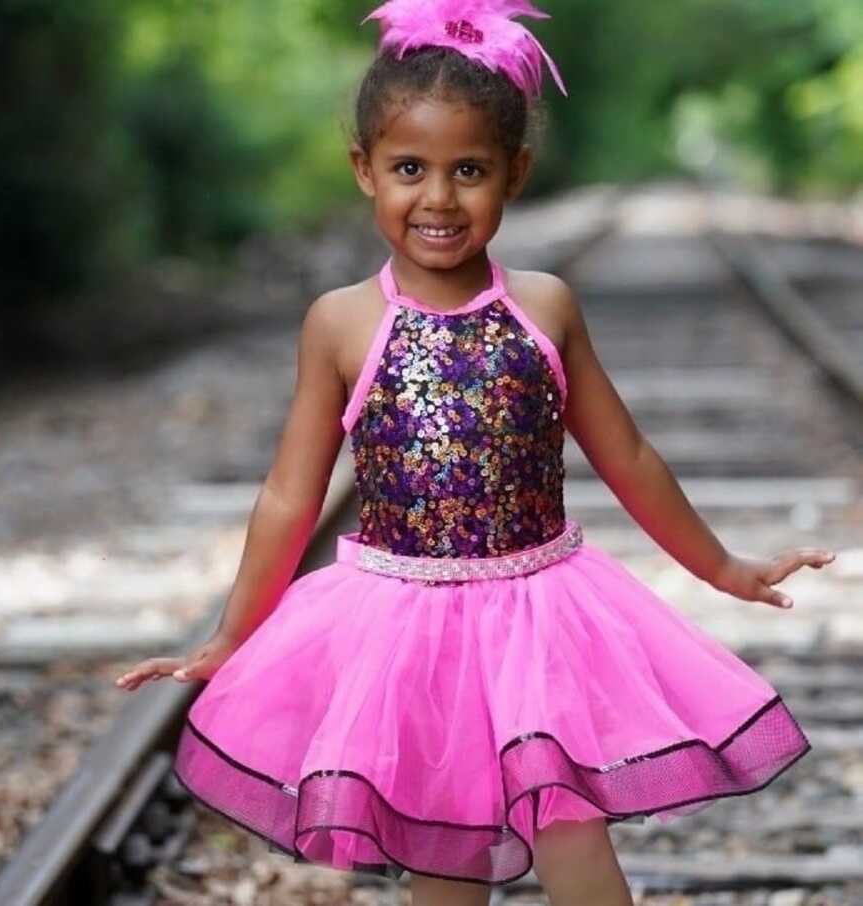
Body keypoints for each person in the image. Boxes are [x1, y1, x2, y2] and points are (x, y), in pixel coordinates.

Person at [115, 1, 836, 903]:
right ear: (364, 171)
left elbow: (633, 458)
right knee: (445, 862)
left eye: (470, 171)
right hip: (405, 633)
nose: (439, 198)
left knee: (575, 842)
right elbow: (287, 498)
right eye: (409, 169)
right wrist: (234, 633)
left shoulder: (546, 307)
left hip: (543, 619)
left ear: (515, 174)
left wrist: (722, 566)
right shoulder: (341, 323)